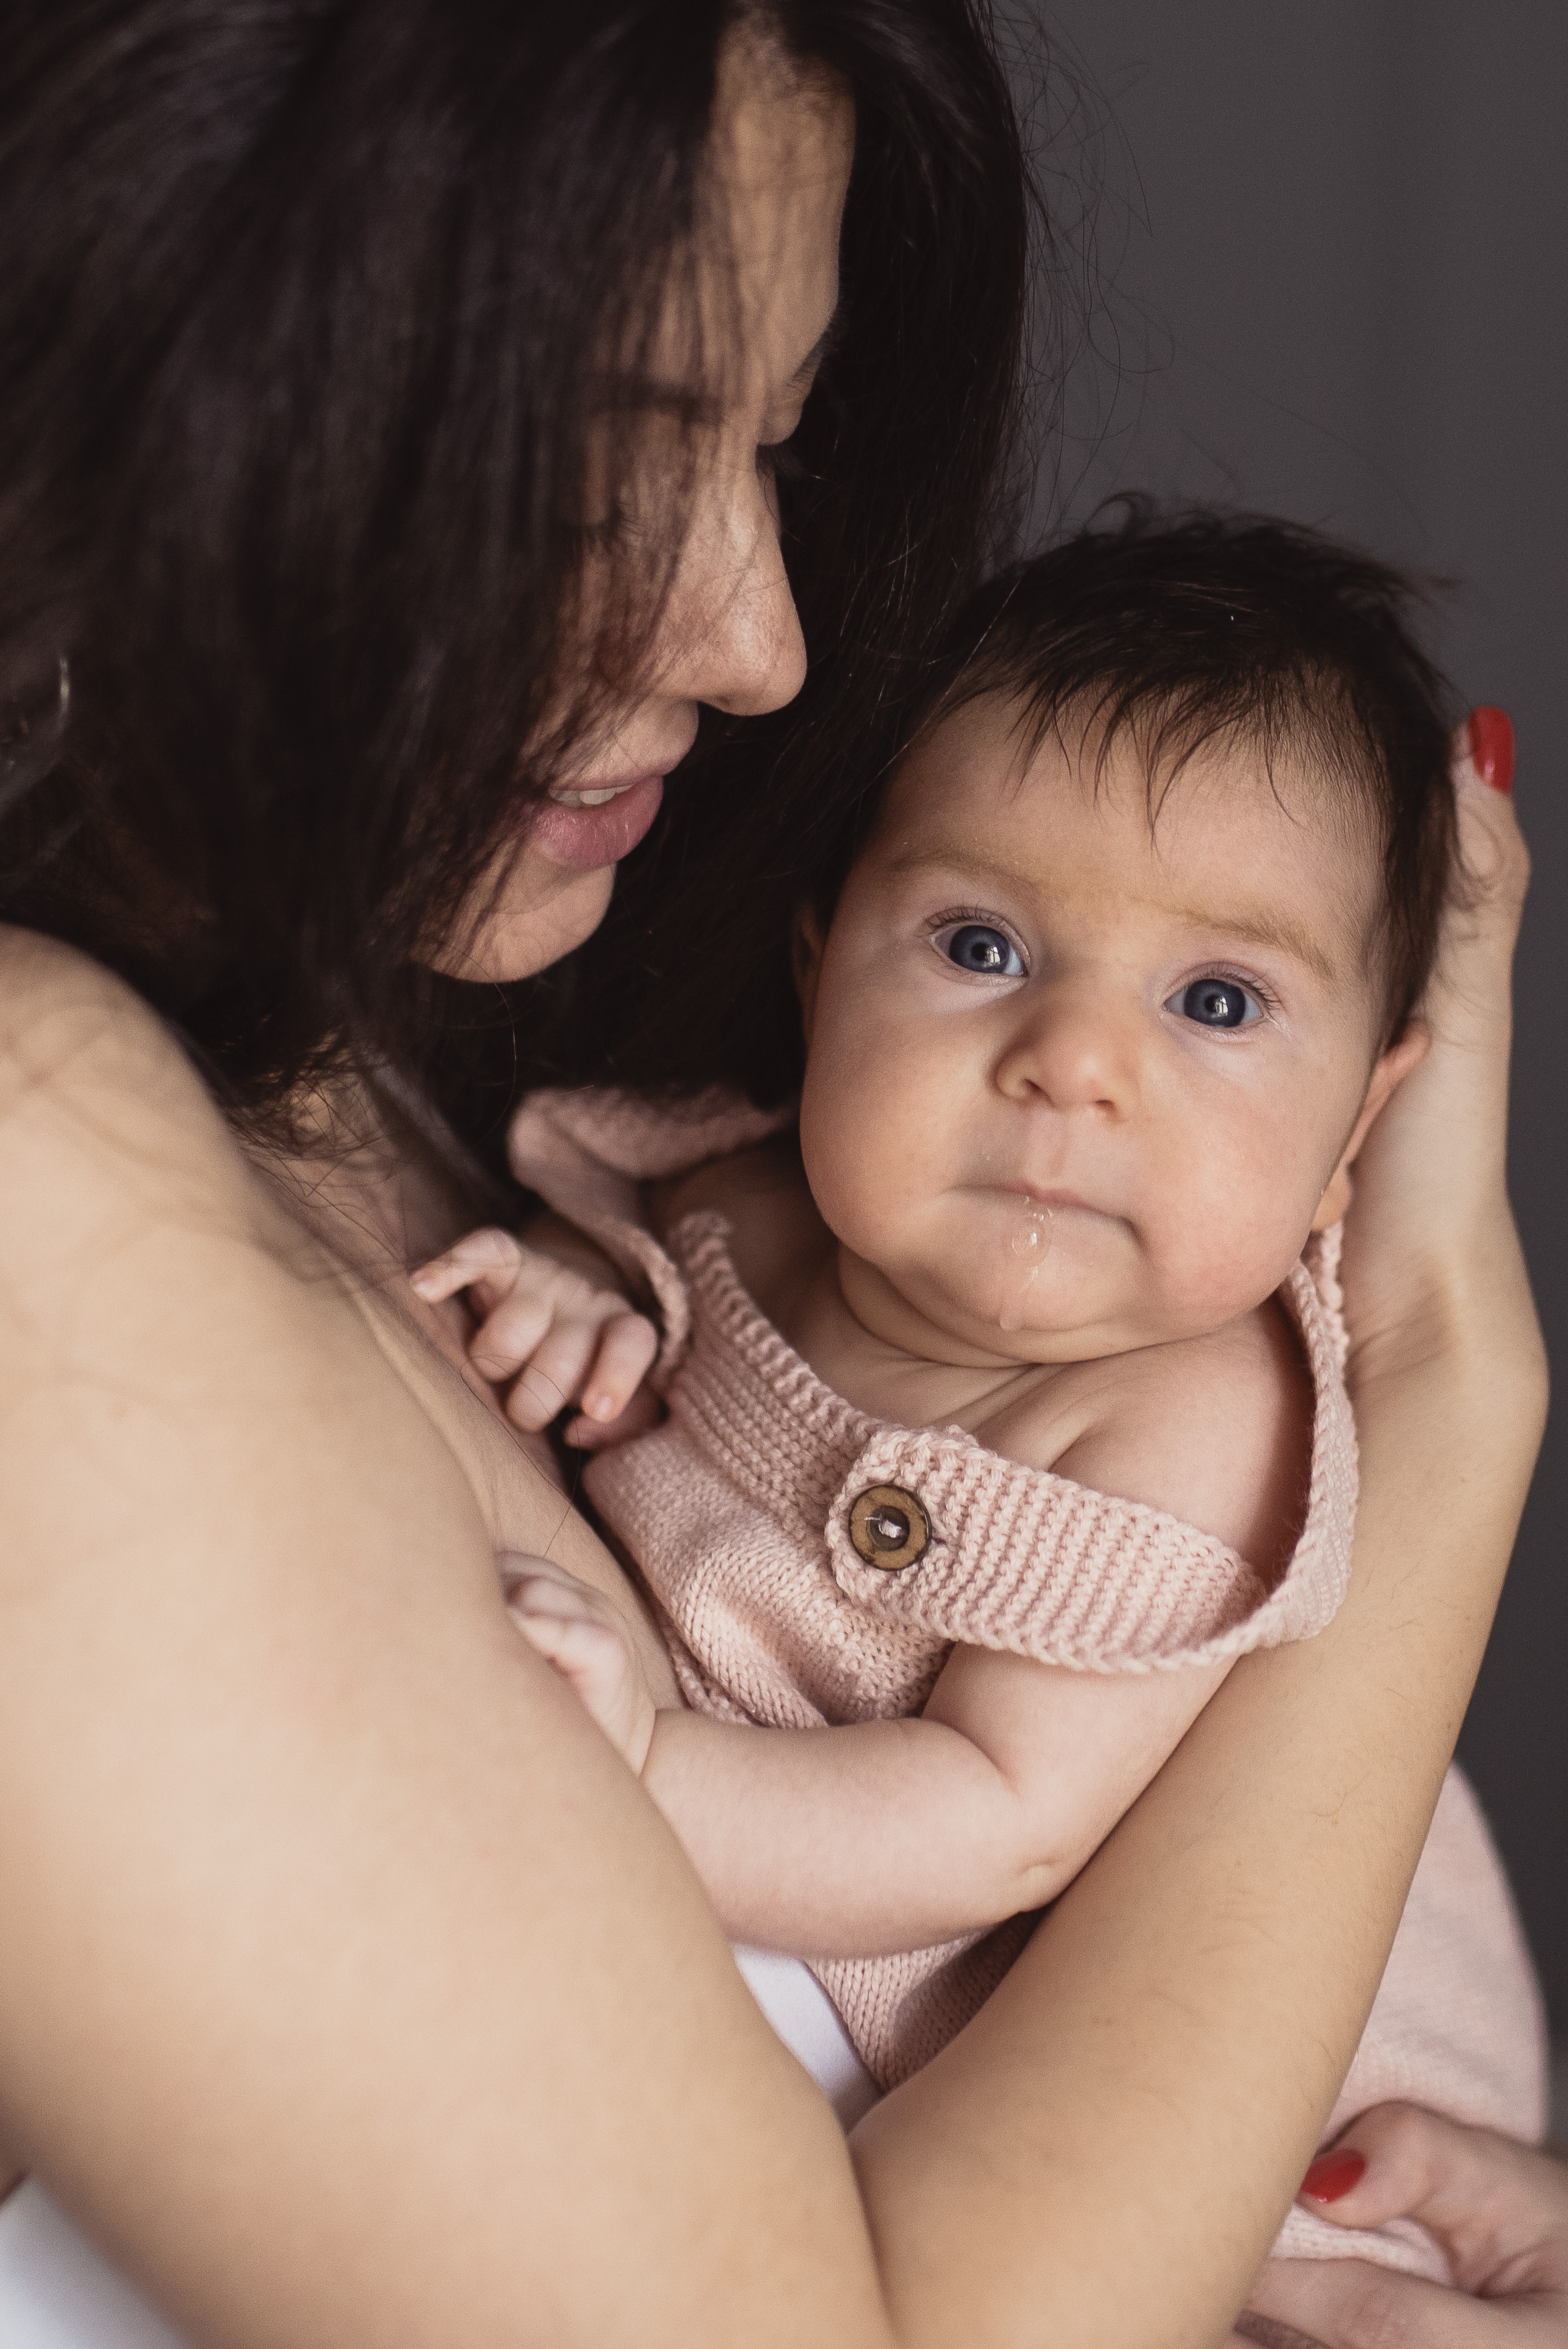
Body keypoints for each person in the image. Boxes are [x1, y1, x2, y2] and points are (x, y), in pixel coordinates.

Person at [0, 5, 1546, 2346]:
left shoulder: (371, 1082)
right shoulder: (43, 1167)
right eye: (595, 464)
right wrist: (1433, 1403)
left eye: (779, 454)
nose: (763, 643)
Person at [413, 514, 1543, 2283]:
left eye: (1219, 1000)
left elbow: (991, 1819)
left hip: (1268, 2192)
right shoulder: (743, 1190)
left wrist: (648, 1764)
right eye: (983, 949)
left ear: (1361, 1134)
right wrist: (580, 1291)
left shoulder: (1193, 1426)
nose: (1073, 1065)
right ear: (819, 968)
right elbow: (613, 1208)